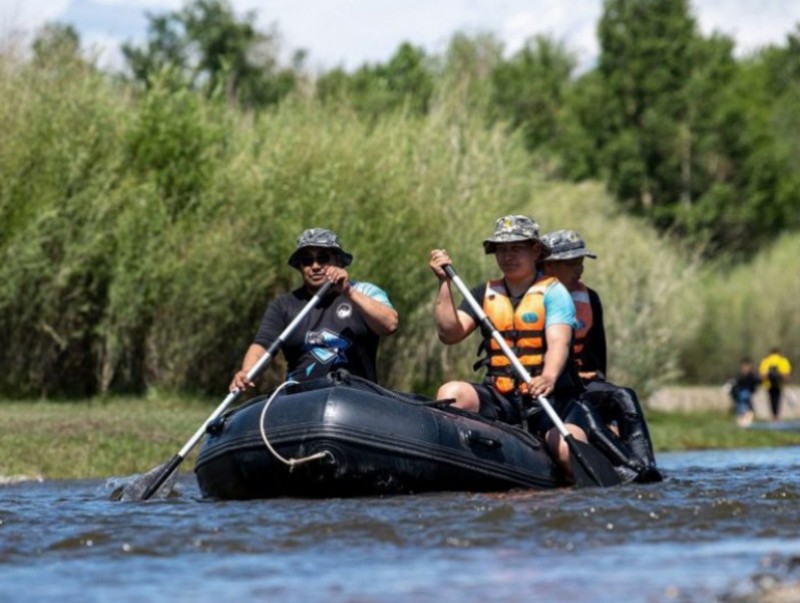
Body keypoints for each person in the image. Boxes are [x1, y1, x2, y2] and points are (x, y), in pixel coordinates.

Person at [429, 215, 591, 482]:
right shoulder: (484, 292)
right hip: (501, 396)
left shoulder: (554, 292)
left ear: (535, 250)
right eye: (502, 249)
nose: (508, 256)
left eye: (516, 248)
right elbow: (450, 333)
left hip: (549, 400)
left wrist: (548, 376)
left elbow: (559, 342)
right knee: (451, 393)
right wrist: (443, 283)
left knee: (565, 450)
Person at [539, 229, 660, 481]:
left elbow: (597, 356)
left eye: (581, 262)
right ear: (549, 265)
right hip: (553, 386)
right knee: (588, 415)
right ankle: (629, 470)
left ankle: (646, 466)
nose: (579, 269)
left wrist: (594, 379)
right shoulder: (534, 298)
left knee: (623, 395)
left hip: (585, 383)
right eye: (572, 263)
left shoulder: (590, 298)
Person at [230, 228, 398, 391]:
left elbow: (390, 324)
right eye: (307, 261)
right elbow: (263, 345)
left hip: (357, 395)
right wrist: (247, 371)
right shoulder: (284, 304)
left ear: (339, 261)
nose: (315, 266)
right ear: (300, 267)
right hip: (301, 398)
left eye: (323, 258)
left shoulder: (364, 292)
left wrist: (347, 291)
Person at [758, 348, 792, 421]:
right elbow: (786, 373)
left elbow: (762, 374)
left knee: (771, 399)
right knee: (777, 399)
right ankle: (776, 416)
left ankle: (773, 415)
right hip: (778, 384)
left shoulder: (766, 360)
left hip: (768, 384)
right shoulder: (782, 360)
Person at [728, 357, 760, 427]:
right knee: (743, 399)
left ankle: (745, 420)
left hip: (747, 396)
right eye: (744, 366)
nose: (745, 368)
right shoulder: (738, 376)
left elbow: (755, 385)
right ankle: (742, 420)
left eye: (747, 366)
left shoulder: (752, 376)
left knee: (745, 398)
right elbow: (732, 386)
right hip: (739, 396)